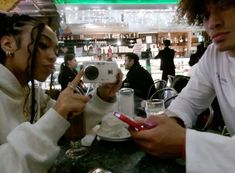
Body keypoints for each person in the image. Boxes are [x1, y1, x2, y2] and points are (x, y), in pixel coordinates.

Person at [0, 13, 123, 173]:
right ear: (8, 44)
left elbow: (70, 127)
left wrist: (102, 96)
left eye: (55, 49)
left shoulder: (33, 93)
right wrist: (57, 113)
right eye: (43, 45)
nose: (53, 56)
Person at [129, 0, 235, 173]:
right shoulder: (213, 54)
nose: (213, 22)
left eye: (224, 6)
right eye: (206, 15)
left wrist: (185, 143)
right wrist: (167, 122)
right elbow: (189, 101)